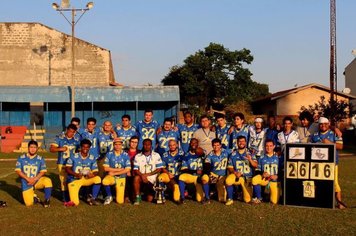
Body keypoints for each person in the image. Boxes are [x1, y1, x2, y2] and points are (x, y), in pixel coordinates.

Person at [311, 117, 346, 209]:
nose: (323, 126)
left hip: (332, 162)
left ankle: (339, 202)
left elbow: (341, 146)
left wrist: (329, 143)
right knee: (318, 182)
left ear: (328, 124)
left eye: (325, 124)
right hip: (318, 163)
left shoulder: (334, 133)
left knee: (334, 183)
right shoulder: (314, 135)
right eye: (321, 124)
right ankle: (319, 201)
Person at [15, 140, 52, 207]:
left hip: (36, 181)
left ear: (37, 148)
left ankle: (47, 200)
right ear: (28, 148)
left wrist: (34, 179)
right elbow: (18, 171)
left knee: (47, 181)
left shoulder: (40, 159)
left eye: (34, 147)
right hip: (26, 182)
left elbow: (43, 171)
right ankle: (35, 198)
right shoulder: (21, 158)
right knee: (29, 204)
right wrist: (28, 179)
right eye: (31, 147)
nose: (33, 149)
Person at [65, 139, 102, 206]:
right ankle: (73, 198)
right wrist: (75, 174)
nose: (85, 149)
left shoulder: (92, 158)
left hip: (86, 179)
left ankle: (92, 199)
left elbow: (96, 171)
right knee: (75, 203)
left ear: (89, 148)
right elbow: (67, 169)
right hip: (74, 180)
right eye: (84, 147)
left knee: (97, 179)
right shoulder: (73, 156)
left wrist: (92, 175)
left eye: (87, 147)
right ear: (81, 147)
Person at [50, 124, 80, 203]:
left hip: (73, 163)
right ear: (67, 130)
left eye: (73, 132)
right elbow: (52, 149)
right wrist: (60, 148)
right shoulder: (60, 138)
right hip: (62, 162)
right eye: (70, 131)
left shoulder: (76, 140)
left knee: (73, 179)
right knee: (63, 180)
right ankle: (64, 196)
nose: (71, 133)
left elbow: (78, 150)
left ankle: (73, 195)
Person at [225, 136, 257, 205]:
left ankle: (241, 193)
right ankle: (230, 198)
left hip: (247, 177)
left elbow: (255, 165)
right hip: (237, 176)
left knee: (247, 200)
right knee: (228, 180)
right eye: (239, 141)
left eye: (243, 141)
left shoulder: (250, 153)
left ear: (245, 142)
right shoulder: (233, 154)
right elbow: (230, 167)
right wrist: (235, 172)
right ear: (237, 143)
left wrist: (250, 160)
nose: (241, 143)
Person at [133, 139, 163, 205]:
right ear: (142, 145)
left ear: (151, 145)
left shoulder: (156, 155)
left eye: (148, 145)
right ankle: (137, 197)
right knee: (136, 178)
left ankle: (146, 193)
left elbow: (159, 169)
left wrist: (147, 175)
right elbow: (135, 169)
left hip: (153, 178)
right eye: (145, 145)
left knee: (149, 199)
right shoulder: (138, 156)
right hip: (141, 176)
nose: (147, 146)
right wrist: (142, 175)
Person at [102, 138, 131, 205]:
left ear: (121, 145)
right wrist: (119, 169)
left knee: (120, 201)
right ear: (113, 145)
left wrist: (114, 172)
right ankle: (109, 196)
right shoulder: (109, 154)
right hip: (112, 176)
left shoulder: (125, 155)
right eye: (116, 144)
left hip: (121, 177)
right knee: (105, 181)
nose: (117, 146)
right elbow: (106, 168)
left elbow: (127, 169)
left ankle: (116, 192)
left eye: (119, 144)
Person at [251, 139, 279, 204]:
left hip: (274, 180)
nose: (268, 148)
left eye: (270, 146)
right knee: (255, 179)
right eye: (267, 146)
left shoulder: (278, 157)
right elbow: (257, 170)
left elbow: (282, 169)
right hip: (265, 179)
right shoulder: (261, 157)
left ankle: (268, 195)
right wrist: (262, 173)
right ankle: (259, 198)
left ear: (274, 146)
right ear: (264, 147)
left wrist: (277, 176)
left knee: (274, 201)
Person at [201, 138, 229, 204]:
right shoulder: (210, 155)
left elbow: (235, 152)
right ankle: (207, 197)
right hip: (213, 175)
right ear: (212, 146)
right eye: (214, 145)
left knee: (221, 199)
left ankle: (216, 191)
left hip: (223, 176)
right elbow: (207, 165)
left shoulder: (226, 152)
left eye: (217, 145)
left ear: (220, 145)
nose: (216, 147)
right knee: (204, 178)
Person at [178, 138, 204, 203]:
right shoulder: (186, 155)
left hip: (199, 177)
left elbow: (207, 163)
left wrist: (202, 153)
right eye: (192, 143)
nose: (193, 144)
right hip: (191, 176)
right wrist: (195, 171)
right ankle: (182, 197)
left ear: (198, 144)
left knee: (199, 199)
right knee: (181, 177)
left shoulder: (201, 153)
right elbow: (184, 169)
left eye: (195, 143)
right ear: (189, 144)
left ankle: (204, 194)